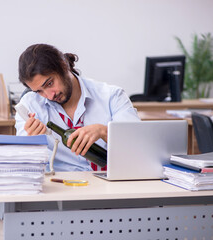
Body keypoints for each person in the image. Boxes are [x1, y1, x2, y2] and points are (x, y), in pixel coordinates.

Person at [15, 44, 140, 172]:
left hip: (111, 183)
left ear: (64, 66)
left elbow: (140, 146)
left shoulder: (112, 96)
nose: (49, 95)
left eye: (50, 83)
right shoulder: (30, 106)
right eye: (39, 91)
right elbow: (21, 163)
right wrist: (30, 142)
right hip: (61, 186)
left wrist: (104, 131)